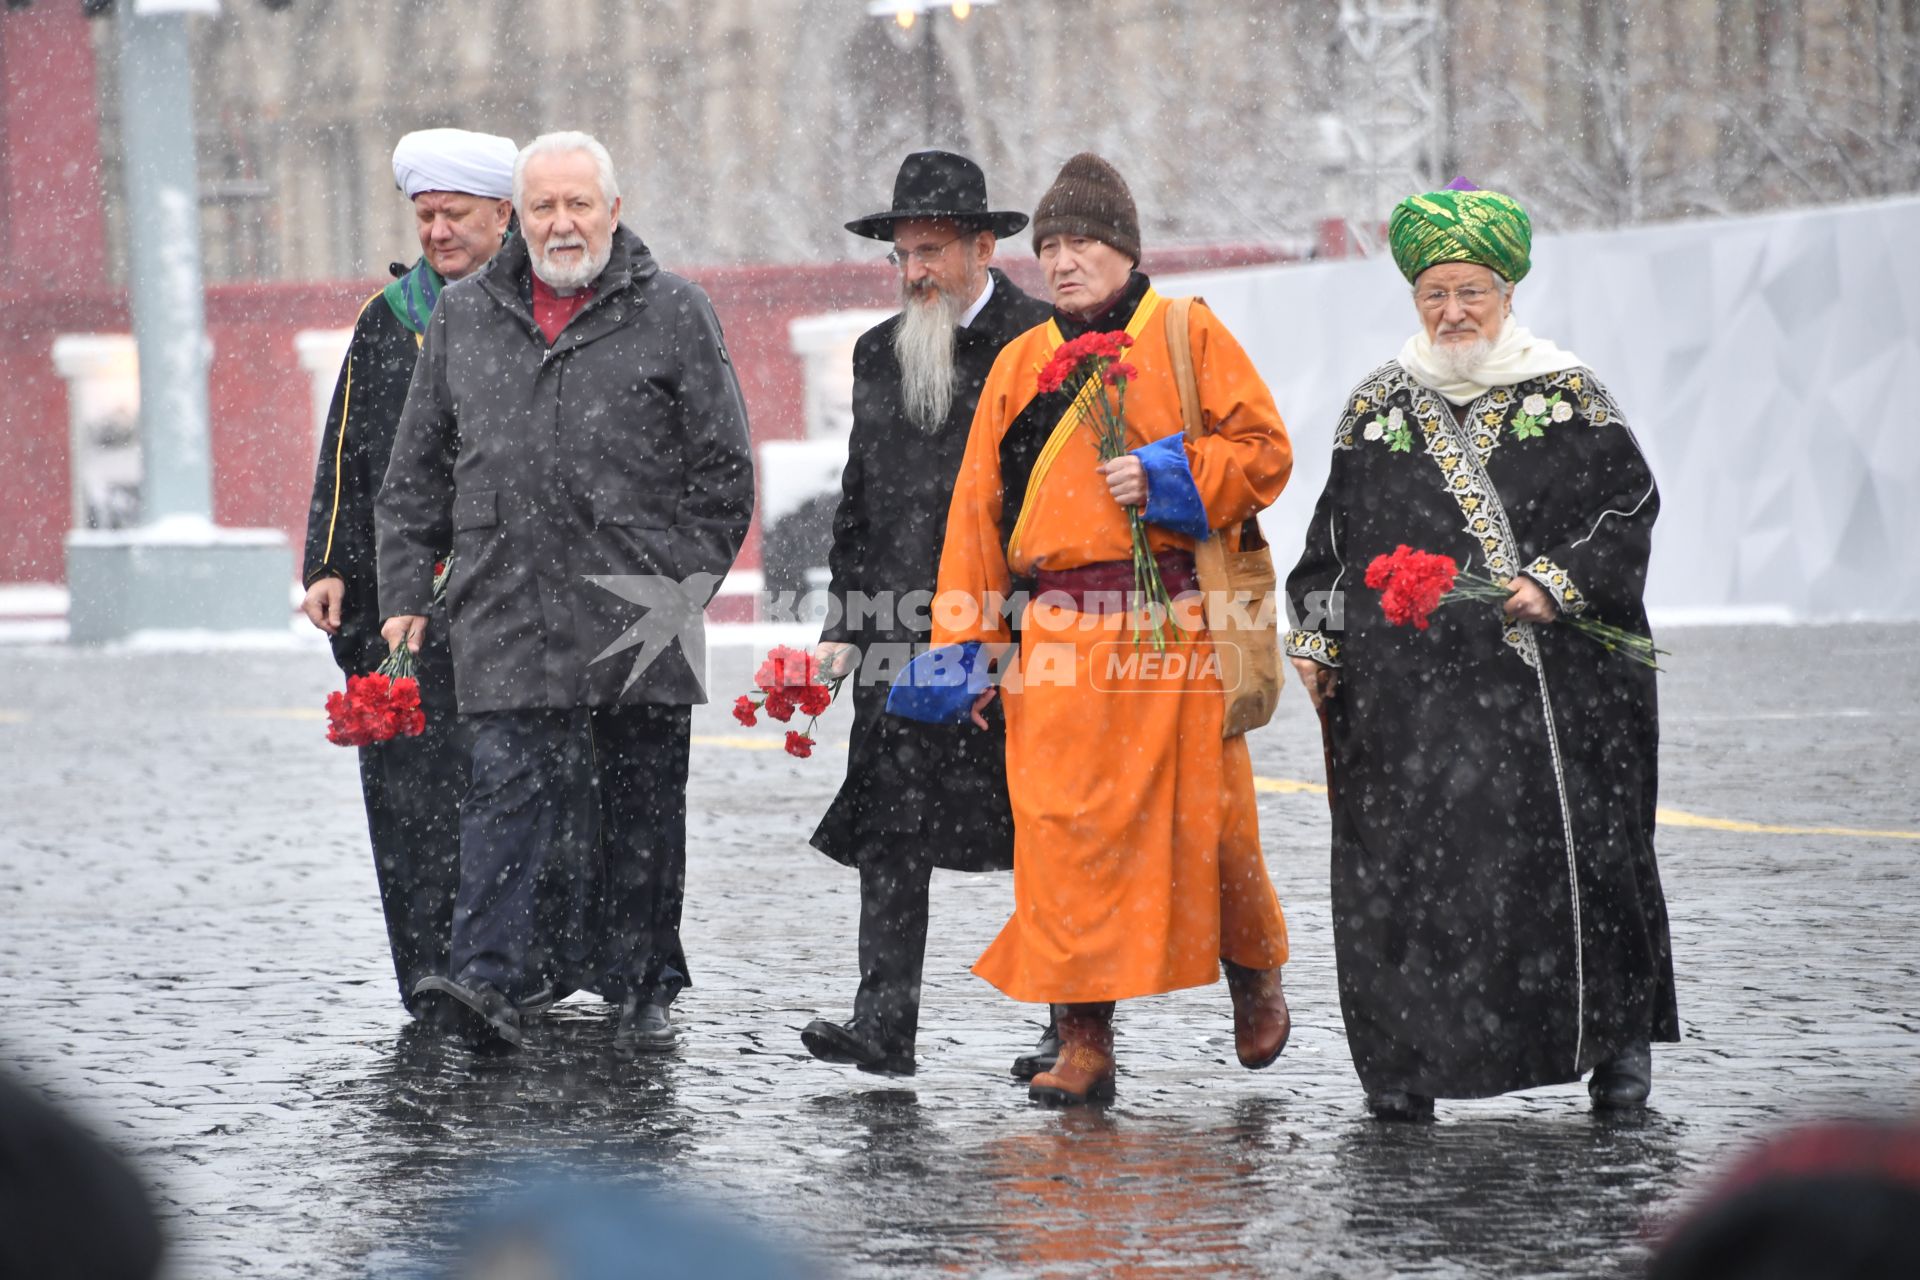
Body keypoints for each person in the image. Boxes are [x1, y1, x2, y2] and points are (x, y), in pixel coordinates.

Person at [895, 153, 1295, 1106]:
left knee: (1214, 825)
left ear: (1125, 250)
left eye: (1084, 243)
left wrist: (1168, 479)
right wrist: (969, 649)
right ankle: (1084, 1041)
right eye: (1052, 246)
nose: (1065, 262)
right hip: (1063, 640)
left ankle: (1255, 977)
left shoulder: (1187, 332)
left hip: (1175, 626)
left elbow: (1264, 451)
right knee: (1061, 837)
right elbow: (976, 518)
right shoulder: (1019, 363)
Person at [1284, 179, 1677, 1121]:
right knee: (1410, 881)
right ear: (1414, 296)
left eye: (1473, 290)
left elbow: (1629, 514)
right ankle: (1407, 1061)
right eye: (1436, 292)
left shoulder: (1571, 396)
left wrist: (1553, 584)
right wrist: (1317, 640)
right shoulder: (1375, 408)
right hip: (1409, 707)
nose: (1454, 310)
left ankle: (1611, 1042)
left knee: (1581, 864)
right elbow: (1328, 551)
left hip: (1553, 692)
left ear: (1508, 291)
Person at [376, 131, 754, 1052]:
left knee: (641, 810)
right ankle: (487, 983)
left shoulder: (674, 311)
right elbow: (415, 472)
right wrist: (404, 592)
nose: (561, 221)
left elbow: (725, 472)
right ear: (520, 216)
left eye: (579, 203)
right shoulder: (465, 316)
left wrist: (680, 589)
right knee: (502, 801)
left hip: (643, 616)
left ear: (613, 211)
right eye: (543, 205)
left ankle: (642, 984)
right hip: (504, 608)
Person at [798, 150, 1056, 1079]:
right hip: (899, 627)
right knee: (891, 827)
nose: (916, 272)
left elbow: (1051, 504)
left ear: (984, 246)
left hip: (1014, 627)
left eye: (934, 251)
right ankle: (883, 1023)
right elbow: (859, 499)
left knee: (1045, 825)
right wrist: (843, 624)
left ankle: (1071, 1030)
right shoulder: (878, 350)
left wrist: (1012, 629)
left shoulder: (1045, 340)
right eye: (903, 253)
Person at [300, 127, 516, 1020]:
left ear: (503, 215)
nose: (436, 231)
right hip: (401, 603)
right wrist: (327, 560)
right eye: (425, 215)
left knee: (507, 793)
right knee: (412, 801)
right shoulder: (388, 318)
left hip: (505, 596)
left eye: (454, 214)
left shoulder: (537, 311)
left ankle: (502, 968)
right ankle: (426, 972)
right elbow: (351, 454)